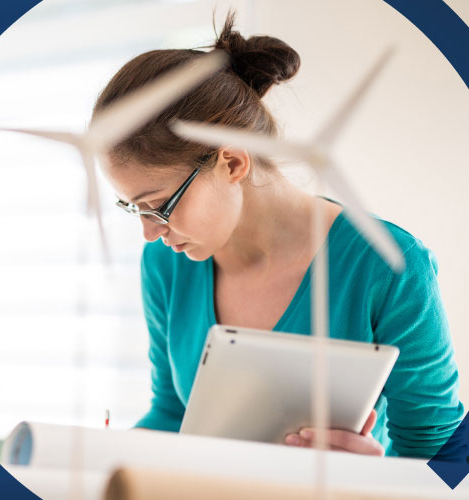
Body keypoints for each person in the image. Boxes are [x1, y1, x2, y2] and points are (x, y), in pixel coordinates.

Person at [92, 12, 464, 458]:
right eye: (132, 207)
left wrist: (371, 481)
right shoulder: (167, 262)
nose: (150, 233)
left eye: (159, 206)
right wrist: (102, 458)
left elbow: (440, 449)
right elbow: (174, 413)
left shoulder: (389, 267)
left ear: (232, 163)